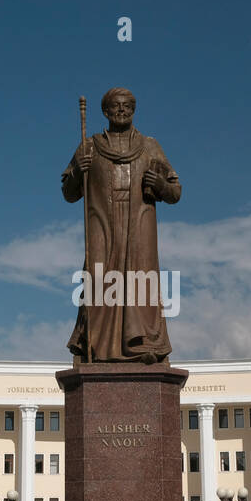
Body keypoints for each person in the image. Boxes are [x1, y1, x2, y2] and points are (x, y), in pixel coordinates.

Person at [62, 87, 181, 364]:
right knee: (99, 280)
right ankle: (93, 346)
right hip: (102, 221)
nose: (122, 110)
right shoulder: (89, 146)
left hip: (139, 223)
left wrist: (161, 184)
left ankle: (143, 343)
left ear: (134, 110)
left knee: (140, 280)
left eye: (128, 106)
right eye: (116, 106)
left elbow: (175, 193)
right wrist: (79, 169)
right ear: (105, 111)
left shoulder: (150, 146)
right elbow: (69, 194)